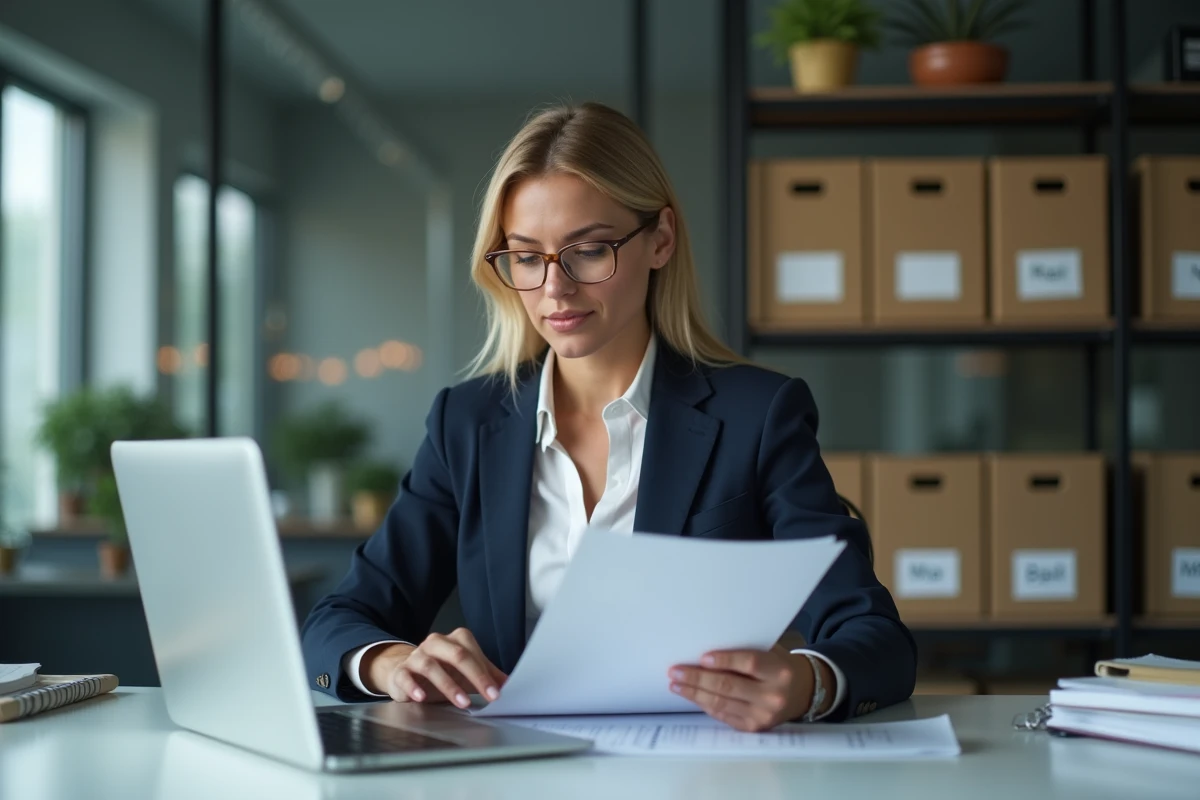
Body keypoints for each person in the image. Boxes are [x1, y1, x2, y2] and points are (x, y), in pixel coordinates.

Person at [301, 102, 915, 732]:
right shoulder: (468, 424)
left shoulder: (757, 416)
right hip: (515, 771)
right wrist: (389, 662)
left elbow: (874, 637)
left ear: (661, 240)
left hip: (697, 774)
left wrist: (806, 682)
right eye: (527, 257)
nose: (555, 289)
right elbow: (337, 621)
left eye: (588, 251)